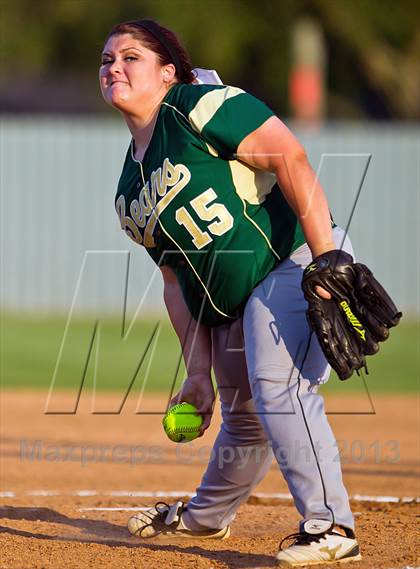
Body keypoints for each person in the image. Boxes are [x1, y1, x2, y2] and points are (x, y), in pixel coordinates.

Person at [99, 19, 362, 567]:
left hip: (296, 260)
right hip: (236, 299)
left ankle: (332, 525)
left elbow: (288, 157)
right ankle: (204, 520)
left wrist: (328, 260)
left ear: (168, 73)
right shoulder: (130, 190)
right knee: (244, 415)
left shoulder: (201, 106)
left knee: (278, 386)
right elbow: (177, 281)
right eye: (106, 60)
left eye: (130, 57)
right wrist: (198, 371)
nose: (113, 67)